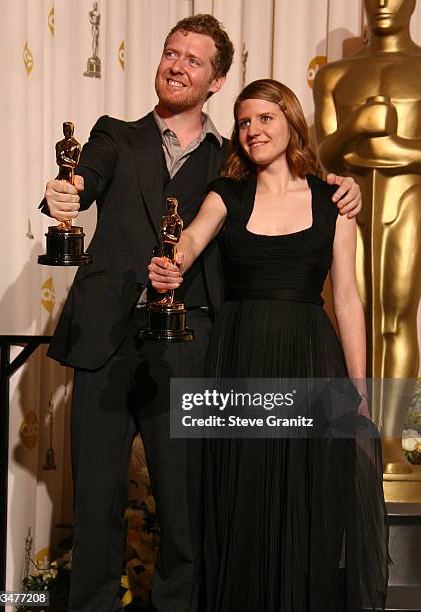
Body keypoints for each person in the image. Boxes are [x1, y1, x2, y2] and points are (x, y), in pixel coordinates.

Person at [41, 14, 363, 612]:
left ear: (215, 81)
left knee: (188, 514)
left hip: (193, 344)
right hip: (104, 341)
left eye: (193, 59)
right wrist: (65, 192)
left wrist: (343, 186)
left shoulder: (231, 159)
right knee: (94, 508)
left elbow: (287, 184)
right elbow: (81, 178)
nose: (176, 65)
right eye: (170, 52)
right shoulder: (116, 133)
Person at [149, 79, 388, 612]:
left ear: (291, 124)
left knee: (307, 501)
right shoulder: (227, 194)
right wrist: (170, 264)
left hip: (310, 360)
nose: (253, 130)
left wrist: (359, 389)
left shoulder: (332, 201)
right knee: (243, 500)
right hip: (240, 361)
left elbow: (347, 300)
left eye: (265, 118)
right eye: (243, 121)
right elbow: (187, 241)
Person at [313, 0, 421, 474]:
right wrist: (358, 125)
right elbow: (323, 155)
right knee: (343, 317)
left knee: (395, 319)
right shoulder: (334, 75)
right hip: (344, 206)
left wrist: (390, 146)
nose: (381, 3)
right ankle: (350, 431)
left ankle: (392, 442)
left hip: (408, 198)